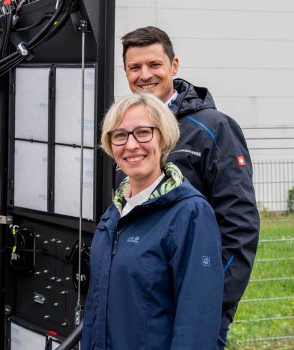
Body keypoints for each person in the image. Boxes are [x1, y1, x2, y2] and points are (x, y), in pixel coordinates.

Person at [119, 26, 260, 348]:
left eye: (154, 64)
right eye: (135, 67)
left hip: (194, 306)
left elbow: (240, 226)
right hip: (140, 302)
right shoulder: (126, 132)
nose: (145, 75)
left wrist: (210, 304)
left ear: (174, 65)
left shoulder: (214, 128)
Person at [81, 93, 223, 349]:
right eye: (120, 135)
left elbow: (197, 322)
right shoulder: (115, 212)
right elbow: (95, 308)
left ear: (163, 137)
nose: (131, 145)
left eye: (143, 132)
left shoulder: (190, 214)